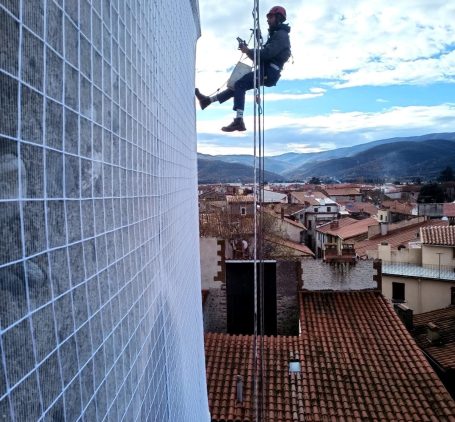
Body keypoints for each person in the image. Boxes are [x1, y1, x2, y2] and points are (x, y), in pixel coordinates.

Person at [195, 6, 291, 132]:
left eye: (270, 17)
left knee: (240, 84)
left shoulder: (281, 35)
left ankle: (239, 121)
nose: (268, 20)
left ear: (278, 18)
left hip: (269, 72)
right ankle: (207, 101)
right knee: (237, 86)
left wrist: (247, 51)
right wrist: (248, 51)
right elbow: (262, 57)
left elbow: (266, 54)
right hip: (267, 71)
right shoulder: (277, 35)